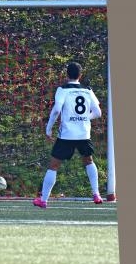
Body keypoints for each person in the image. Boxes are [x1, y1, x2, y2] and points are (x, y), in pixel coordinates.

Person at [34, 62, 103, 209]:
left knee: (53, 165)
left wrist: (48, 128)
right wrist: (84, 118)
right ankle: (96, 194)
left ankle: (44, 200)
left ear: (66, 75)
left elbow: (56, 109)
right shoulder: (87, 90)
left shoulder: (62, 90)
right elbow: (98, 113)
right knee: (89, 161)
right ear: (80, 75)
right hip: (84, 134)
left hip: (67, 134)